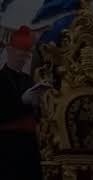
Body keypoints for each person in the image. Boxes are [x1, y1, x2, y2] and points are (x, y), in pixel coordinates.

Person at [0, 25, 51, 180]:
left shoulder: (29, 80)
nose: (23, 58)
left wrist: (39, 103)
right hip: (6, 145)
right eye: (20, 54)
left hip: (29, 144)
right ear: (9, 52)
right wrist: (21, 101)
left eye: (27, 54)